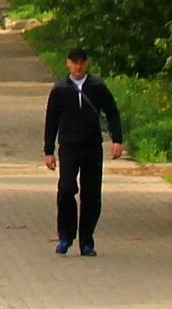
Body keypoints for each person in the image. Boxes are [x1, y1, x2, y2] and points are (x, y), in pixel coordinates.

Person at [41, 47, 125, 256]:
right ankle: (66, 236)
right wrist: (49, 150)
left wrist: (117, 140)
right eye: (74, 62)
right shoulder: (60, 89)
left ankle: (87, 240)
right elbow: (51, 120)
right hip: (68, 147)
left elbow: (112, 112)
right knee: (67, 189)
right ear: (68, 64)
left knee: (91, 194)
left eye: (81, 62)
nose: (78, 66)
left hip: (92, 147)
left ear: (86, 64)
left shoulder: (97, 87)